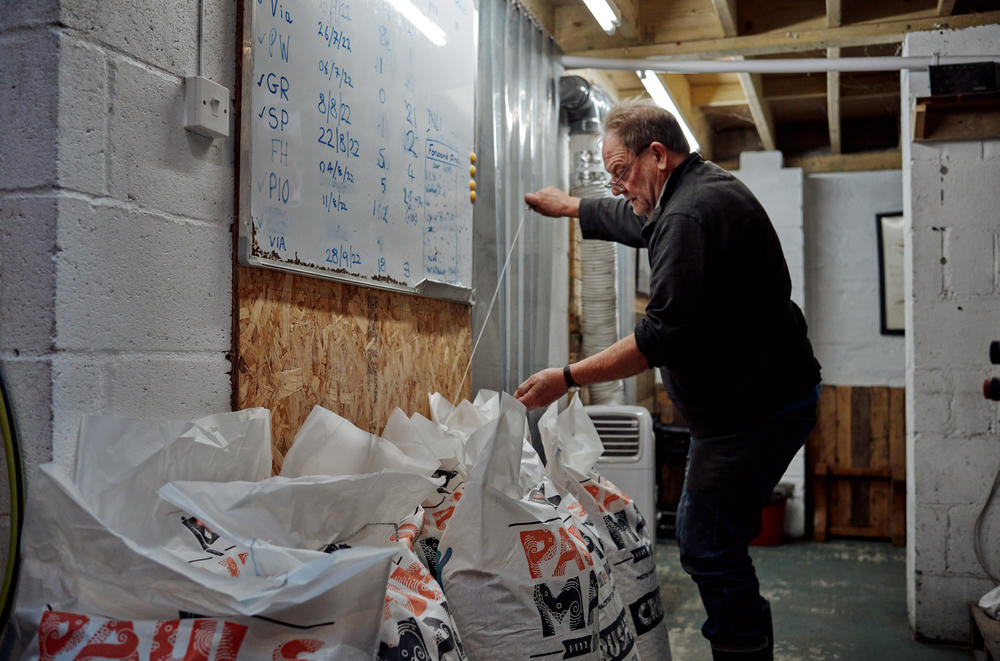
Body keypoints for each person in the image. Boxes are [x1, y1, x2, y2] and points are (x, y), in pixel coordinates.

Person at [514, 97, 821, 661]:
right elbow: (632, 220)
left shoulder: (687, 216)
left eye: (620, 172)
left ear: (657, 155)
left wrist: (566, 376)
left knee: (707, 546)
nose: (618, 188)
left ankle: (743, 648)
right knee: (714, 540)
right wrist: (570, 208)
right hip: (764, 400)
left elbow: (660, 338)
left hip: (750, 416)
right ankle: (747, 638)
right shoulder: (691, 191)